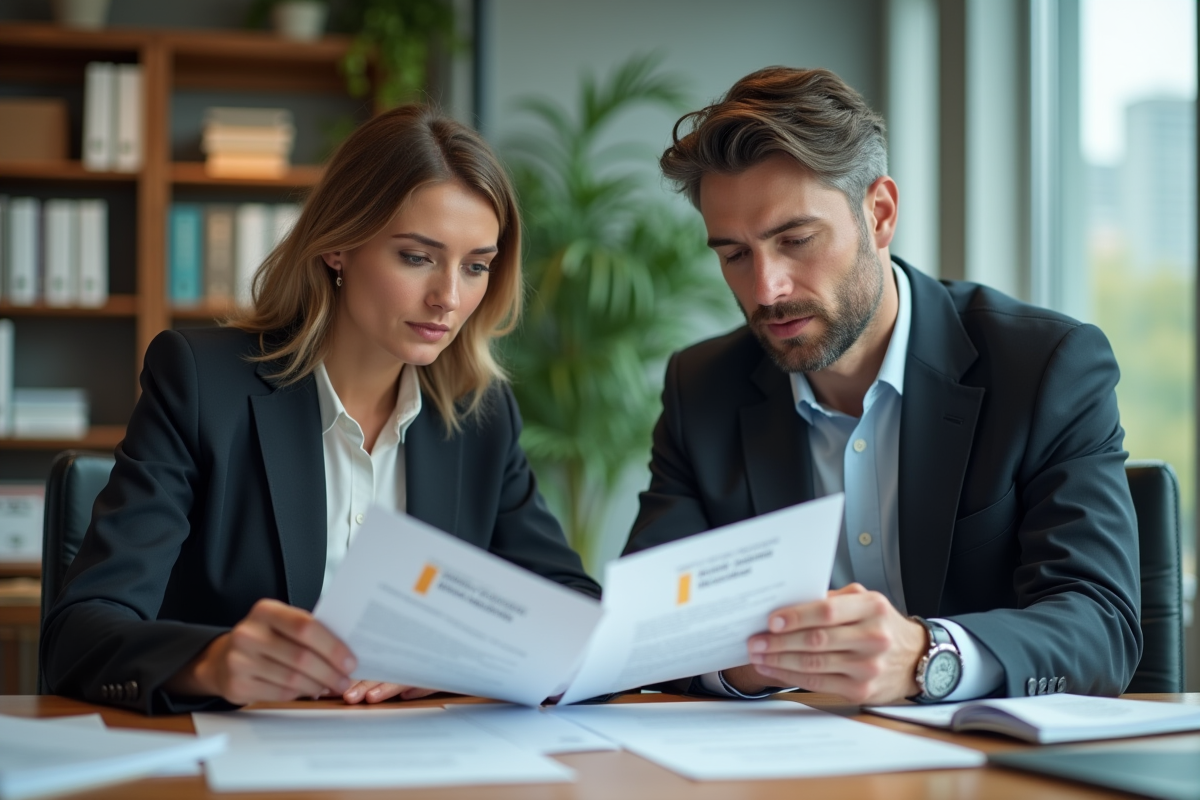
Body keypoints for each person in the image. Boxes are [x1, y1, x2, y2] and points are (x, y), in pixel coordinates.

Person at [41, 106, 600, 714]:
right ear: (338, 245)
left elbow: (576, 614)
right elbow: (78, 635)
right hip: (235, 759)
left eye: (476, 266)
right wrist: (213, 662)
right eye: (417, 256)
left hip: (422, 760)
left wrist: (453, 661)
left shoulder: (479, 416)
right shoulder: (201, 384)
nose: (448, 297)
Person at [626, 67, 1140, 705]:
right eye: (734, 254)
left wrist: (928, 658)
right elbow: (646, 628)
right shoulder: (701, 388)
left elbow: (1100, 625)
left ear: (880, 213)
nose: (766, 289)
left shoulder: (1045, 366)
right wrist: (744, 663)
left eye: (795, 240)